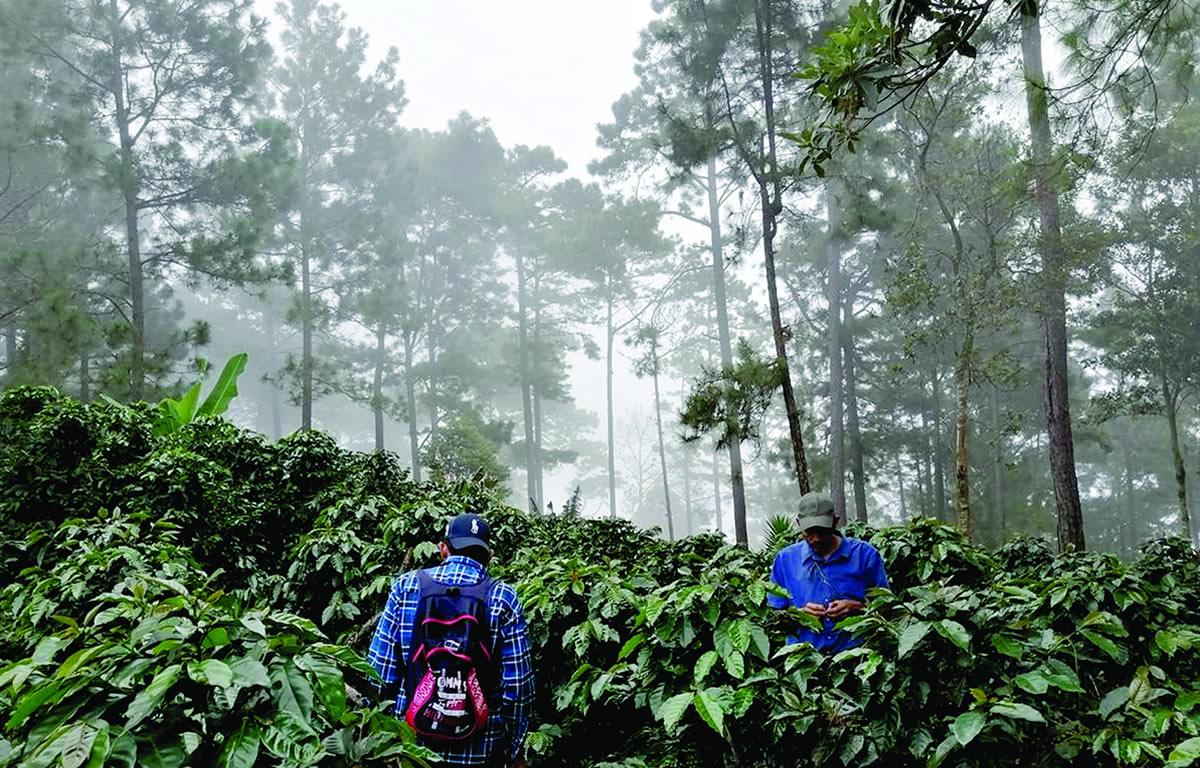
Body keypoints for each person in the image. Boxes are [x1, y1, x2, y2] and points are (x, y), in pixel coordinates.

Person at [368, 513, 533, 768]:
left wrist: (381, 735)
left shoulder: (406, 586)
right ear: (489, 556)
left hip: (413, 747)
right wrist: (514, 749)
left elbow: (380, 672)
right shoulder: (503, 597)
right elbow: (518, 686)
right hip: (481, 749)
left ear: (443, 548)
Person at [767, 492, 889, 652]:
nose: (816, 538)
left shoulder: (865, 555)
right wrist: (799, 615)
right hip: (804, 660)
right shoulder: (785, 560)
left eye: (822, 530)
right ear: (799, 524)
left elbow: (888, 608)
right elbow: (772, 617)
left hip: (856, 659)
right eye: (809, 531)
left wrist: (857, 608)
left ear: (835, 521)